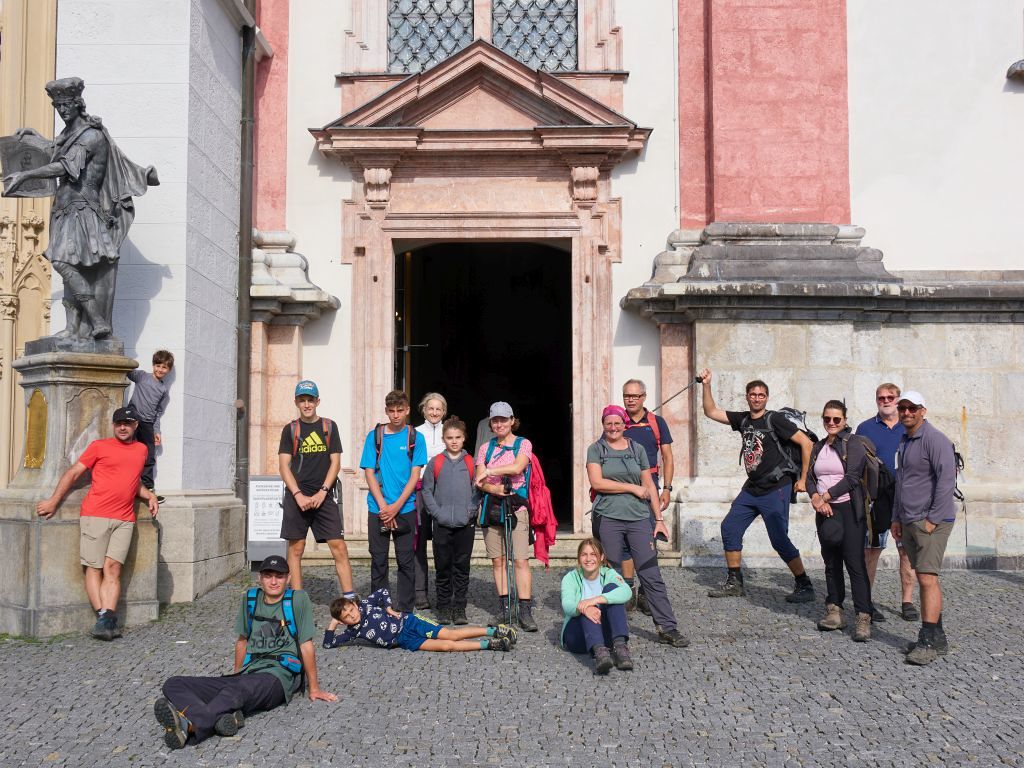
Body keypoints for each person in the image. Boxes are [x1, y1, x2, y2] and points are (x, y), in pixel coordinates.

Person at [2, 77, 157, 340]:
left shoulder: (92, 136)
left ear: (78, 103)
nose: (62, 110)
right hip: (65, 210)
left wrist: (25, 175)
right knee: (70, 267)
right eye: (58, 106)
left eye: (66, 104)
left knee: (62, 261)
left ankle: (97, 320)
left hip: (83, 211)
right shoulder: (71, 136)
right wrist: (35, 137)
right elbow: (57, 150)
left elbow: (65, 165)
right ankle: (72, 328)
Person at [154, 555, 336, 749]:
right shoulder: (250, 599)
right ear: (260, 578)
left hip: (278, 676)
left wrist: (314, 688)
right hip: (249, 673)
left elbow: (306, 644)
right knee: (174, 684)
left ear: (288, 578)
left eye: (279, 576)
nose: (274, 581)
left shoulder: (298, 600)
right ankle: (223, 717)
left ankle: (189, 726)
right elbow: (242, 641)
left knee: (236, 691)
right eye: (268, 576)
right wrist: (236, 675)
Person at [36, 406, 157, 640]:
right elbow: (73, 473)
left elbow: (132, 481)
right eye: (119, 423)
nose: (123, 427)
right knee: (94, 568)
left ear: (135, 426)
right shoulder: (99, 446)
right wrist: (53, 501)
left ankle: (107, 619)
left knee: (113, 568)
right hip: (96, 515)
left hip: (124, 519)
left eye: (127, 423)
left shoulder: (141, 450)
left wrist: (149, 495)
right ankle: (104, 618)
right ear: (113, 425)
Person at [698, 369, 816, 602]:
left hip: (776, 487)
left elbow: (807, 444)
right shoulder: (742, 419)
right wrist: (707, 385)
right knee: (730, 527)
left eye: (761, 395)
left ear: (767, 398)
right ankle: (735, 582)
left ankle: (804, 584)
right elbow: (711, 411)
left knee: (778, 539)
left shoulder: (776, 420)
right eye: (753, 394)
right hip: (752, 488)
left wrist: (803, 479)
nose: (757, 398)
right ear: (747, 397)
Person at [587, 404, 689, 648]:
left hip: (639, 518)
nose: (613, 428)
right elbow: (597, 483)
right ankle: (612, 629)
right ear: (603, 425)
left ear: (625, 425)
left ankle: (667, 627)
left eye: (617, 423)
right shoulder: (596, 449)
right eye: (608, 424)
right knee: (611, 575)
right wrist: (632, 488)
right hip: (608, 518)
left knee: (651, 573)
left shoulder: (637, 449)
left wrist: (659, 519)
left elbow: (649, 484)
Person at [890, 391, 958, 666]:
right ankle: (937, 637)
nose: (906, 412)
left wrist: (933, 519)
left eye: (912, 408)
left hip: (931, 521)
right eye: (903, 408)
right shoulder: (905, 439)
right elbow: (901, 482)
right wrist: (896, 517)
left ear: (923, 410)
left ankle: (928, 639)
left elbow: (947, 480)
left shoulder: (935, 440)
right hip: (908, 519)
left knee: (928, 578)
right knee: (922, 576)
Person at [278, 380, 353, 597]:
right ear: (296, 402)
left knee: (339, 546)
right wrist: (298, 495)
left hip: (324, 496)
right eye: (302, 400)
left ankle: (350, 599)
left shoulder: (329, 427)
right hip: (297, 497)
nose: (307, 404)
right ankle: (297, 599)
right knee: (296, 548)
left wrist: (323, 491)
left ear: (317, 401)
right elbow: (284, 466)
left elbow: (335, 463)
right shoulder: (290, 430)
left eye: (310, 400)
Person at [807, 401, 873, 642]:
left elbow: (853, 477)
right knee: (831, 561)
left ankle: (863, 616)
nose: (831, 423)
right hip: (824, 511)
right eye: (827, 419)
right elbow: (809, 478)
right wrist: (816, 498)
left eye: (836, 419)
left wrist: (826, 496)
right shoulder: (818, 446)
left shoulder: (853, 443)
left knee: (855, 563)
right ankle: (834, 610)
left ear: (845, 420)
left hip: (849, 509)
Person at [359, 390, 427, 612]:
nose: (396, 415)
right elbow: (369, 472)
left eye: (400, 410)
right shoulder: (375, 436)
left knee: (405, 561)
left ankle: (405, 609)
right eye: (391, 411)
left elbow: (415, 476)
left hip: (405, 508)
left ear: (407, 410)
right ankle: (380, 607)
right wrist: (384, 507)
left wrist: (395, 508)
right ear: (386, 411)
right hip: (377, 508)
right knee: (378, 560)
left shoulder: (416, 438)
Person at [475, 401, 537, 632]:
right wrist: (494, 488)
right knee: (498, 560)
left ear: (512, 420)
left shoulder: (523, 444)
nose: (499, 424)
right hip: (492, 506)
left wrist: (490, 471)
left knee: (520, 560)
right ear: (490, 423)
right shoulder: (485, 448)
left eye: (503, 419)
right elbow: (478, 481)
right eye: (495, 420)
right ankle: (505, 607)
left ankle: (525, 610)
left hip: (516, 508)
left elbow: (517, 467)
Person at [855, 382, 915, 622]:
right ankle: (867, 602)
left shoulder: (910, 425)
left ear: (898, 400)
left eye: (891, 397)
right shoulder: (865, 428)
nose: (886, 401)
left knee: (906, 552)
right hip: (876, 499)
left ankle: (907, 601)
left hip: (906, 498)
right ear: (876, 400)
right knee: (871, 551)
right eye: (881, 398)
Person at [619, 378, 674, 615]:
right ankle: (627, 591)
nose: (630, 400)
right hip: (623, 489)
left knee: (649, 541)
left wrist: (667, 489)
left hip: (649, 488)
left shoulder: (656, 422)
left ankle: (646, 593)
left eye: (635, 396)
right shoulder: (617, 422)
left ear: (644, 397)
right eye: (627, 396)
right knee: (624, 542)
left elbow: (668, 457)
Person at [323, 588, 517, 652]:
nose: (352, 615)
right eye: (346, 617)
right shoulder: (353, 632)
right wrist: (333, 623)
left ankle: (494, 631)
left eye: (351, 610)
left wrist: (388, 608)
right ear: (343, 622)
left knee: (451, 634)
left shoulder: (365, 604)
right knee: (446, 646)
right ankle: (491, 645)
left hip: (409, 622)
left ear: (354, 604)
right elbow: (328, 644)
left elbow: (382, 591)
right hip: (404, 640)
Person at [421, 416, 480, 625]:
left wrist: (471, 511)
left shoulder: (471, 463)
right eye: (449, 438)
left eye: (457, 437)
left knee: (462, 567)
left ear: (464, 438)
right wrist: (437, 513)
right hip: (442, 524)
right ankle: (444, 607)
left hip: (465, 523)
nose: (454, 441)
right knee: (443, 566)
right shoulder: (435, 463)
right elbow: (426, 490)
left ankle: (460, 607)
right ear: (443, 439)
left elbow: (477, 490)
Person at [560, 538, 634, 673]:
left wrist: (596, 600)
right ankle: (600, 653)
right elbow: (567, 605)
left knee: (612, 590)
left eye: (593, 554)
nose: (588, 559)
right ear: (579, 558)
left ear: (601, 557)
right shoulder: (570, 578)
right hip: (578, 636)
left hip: (605, 633)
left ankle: (620, 648)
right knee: (586, 607)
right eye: (584, 554)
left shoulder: (609, 574)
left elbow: (627, 591)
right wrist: (584, 607)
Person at [413, 392, 448, 609]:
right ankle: (420, 593)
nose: (434, 412)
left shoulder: (449, 432)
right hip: (420, 490)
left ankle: (444, 593)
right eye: (431, 408)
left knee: (442, 543)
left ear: (443, 412)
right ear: (424, 410)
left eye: (438, 409)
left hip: (444, 492)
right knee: (418, 543)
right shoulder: (415, 433)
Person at [126, 349, 173, 502]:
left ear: (168, 370)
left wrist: (156, 431)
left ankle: (148, 489)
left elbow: (158, 413)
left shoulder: (163, 391)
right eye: (158, 365)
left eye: (164, 367)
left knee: (149, 456)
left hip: (147, 424)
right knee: (128, 452)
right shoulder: (142, 376)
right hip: (132, 419)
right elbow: (126, 370)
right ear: (153, 365)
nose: (160, 369)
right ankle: (126, 486)